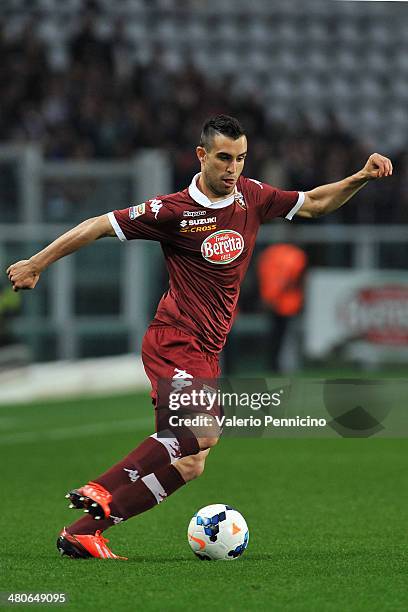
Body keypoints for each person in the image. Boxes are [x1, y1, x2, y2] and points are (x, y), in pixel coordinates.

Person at [6, 115, 393, 560]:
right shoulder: (170, 211)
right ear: (202, 156)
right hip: (176, 338)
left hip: (206, 349)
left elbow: (316, 204)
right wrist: (36, 263)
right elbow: (95, 225)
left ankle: (82, 532)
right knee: (201, 430)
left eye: (241, 159)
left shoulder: (251, 195)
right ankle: (104, 487)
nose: (233, 169)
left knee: (190, 463)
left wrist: (361, 177)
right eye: (225, 158)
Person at [257, 243, 307, 372]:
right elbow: (295, 280)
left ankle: (273, 364)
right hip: (288, 304)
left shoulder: (268, 253)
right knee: (285, 336)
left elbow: (261, 277)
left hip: (270, 302)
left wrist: (268, 298)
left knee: (274, 335)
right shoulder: (296, 255)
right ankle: (282, 365)